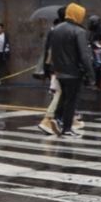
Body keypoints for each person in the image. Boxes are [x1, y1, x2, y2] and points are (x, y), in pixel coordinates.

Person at [48, 4, 93, 138]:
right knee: (71, 100)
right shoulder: (79, 31)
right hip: (73, 71)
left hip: (59, 70)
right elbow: (84, 55)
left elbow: (52, 51)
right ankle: (67, 128)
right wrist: (91, 74)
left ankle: (57, 119)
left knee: (64, 97)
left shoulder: (56, 29)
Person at [36, 8, 66, 136]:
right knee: (59, 94)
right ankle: (47, 120)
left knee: (61, 94)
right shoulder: (59, 32)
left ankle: (68, 120)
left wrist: (47, 67)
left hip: (55, 67)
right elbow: (51, 51)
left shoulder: (55, 31)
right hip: (60, 68)